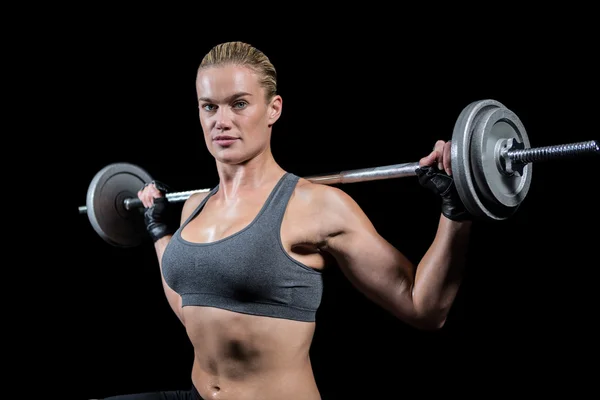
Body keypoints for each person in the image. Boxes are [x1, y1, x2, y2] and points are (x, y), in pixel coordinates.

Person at [101, 41, 472, 400]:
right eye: (209, 107)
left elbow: (423, 307)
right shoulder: (194, 207)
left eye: (239, 104)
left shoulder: (316, 206)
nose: (222, 121)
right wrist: (157, 230)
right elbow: (190, 307)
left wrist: (455, 208)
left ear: (273, 109)